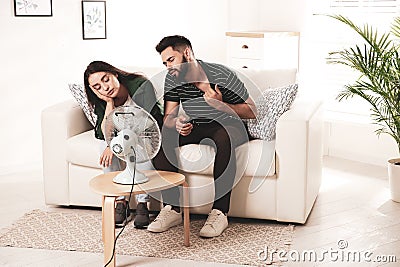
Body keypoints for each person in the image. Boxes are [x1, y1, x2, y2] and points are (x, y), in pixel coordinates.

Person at [149, 35, 257, 237]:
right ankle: (173, 209)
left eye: (171, 60)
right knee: (159, 138)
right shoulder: (172, 78)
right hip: (198, 125)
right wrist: (177, 124)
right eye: (164, 63)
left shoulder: (221, 75)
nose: (168, 67)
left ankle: (220, 212)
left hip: (229, 125)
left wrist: (220, 105)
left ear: (187, 53)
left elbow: (252, 111)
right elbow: (168, 117)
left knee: (224, 136)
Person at [83, 61, 163, 228]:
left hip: (145, 132)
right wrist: (109, 104)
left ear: (115, 74)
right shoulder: (102, 98)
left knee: (140, 145)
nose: (104, 88)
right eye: (97, 87)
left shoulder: (141, 85)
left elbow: (149, 121)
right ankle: (121, 201)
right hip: (120, 135)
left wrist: (116, 141)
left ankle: (142, 203)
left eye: (106, 79)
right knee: (102, 146)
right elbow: (102, 132)